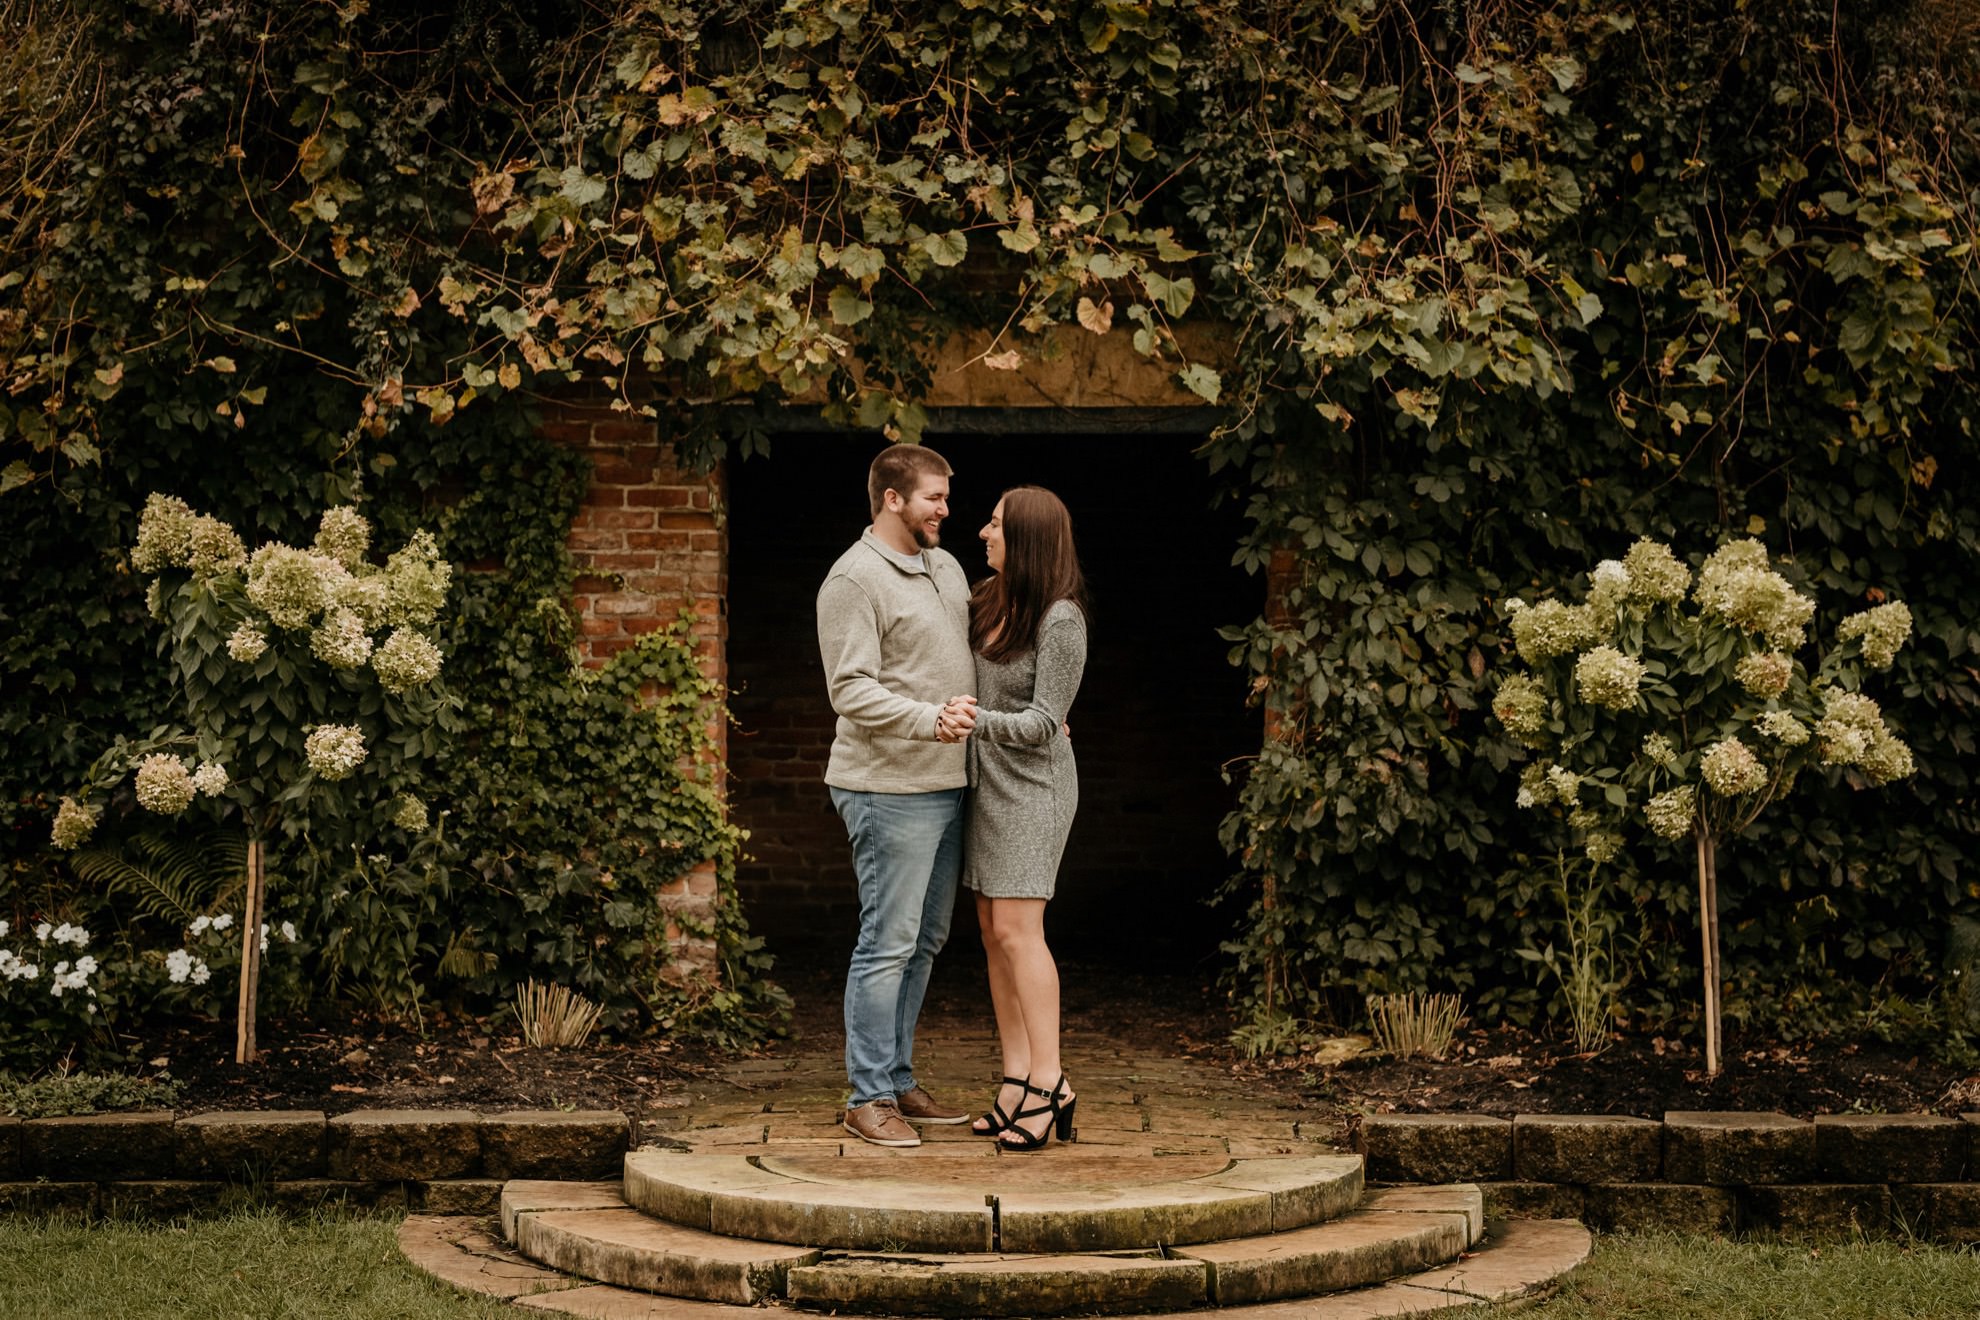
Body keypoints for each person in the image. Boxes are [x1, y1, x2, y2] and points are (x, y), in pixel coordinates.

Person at [815, 442, 980, 1148]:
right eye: (934, 498)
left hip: (947, 783)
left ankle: (898, 1079)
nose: (946, 509)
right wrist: (928, 721)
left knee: (925, 940)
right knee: (886, 942)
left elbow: (966, 658)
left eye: (946, 497)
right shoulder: (854, 580)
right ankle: (867, 1097)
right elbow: (848, 689)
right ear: (892, 498)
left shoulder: (944, 566)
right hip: (885, 786)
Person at [947, 486, 1089, 1152]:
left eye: (997, 524)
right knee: (989, 927)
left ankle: (1051, 1081)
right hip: (988, 783)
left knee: (1018, 928)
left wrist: (975, 722)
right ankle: (1015, 1075)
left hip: (1033, 788)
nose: (983, 531)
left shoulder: (1062, 620)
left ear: (1027, 537)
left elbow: (1040, 725)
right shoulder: (986, 600)